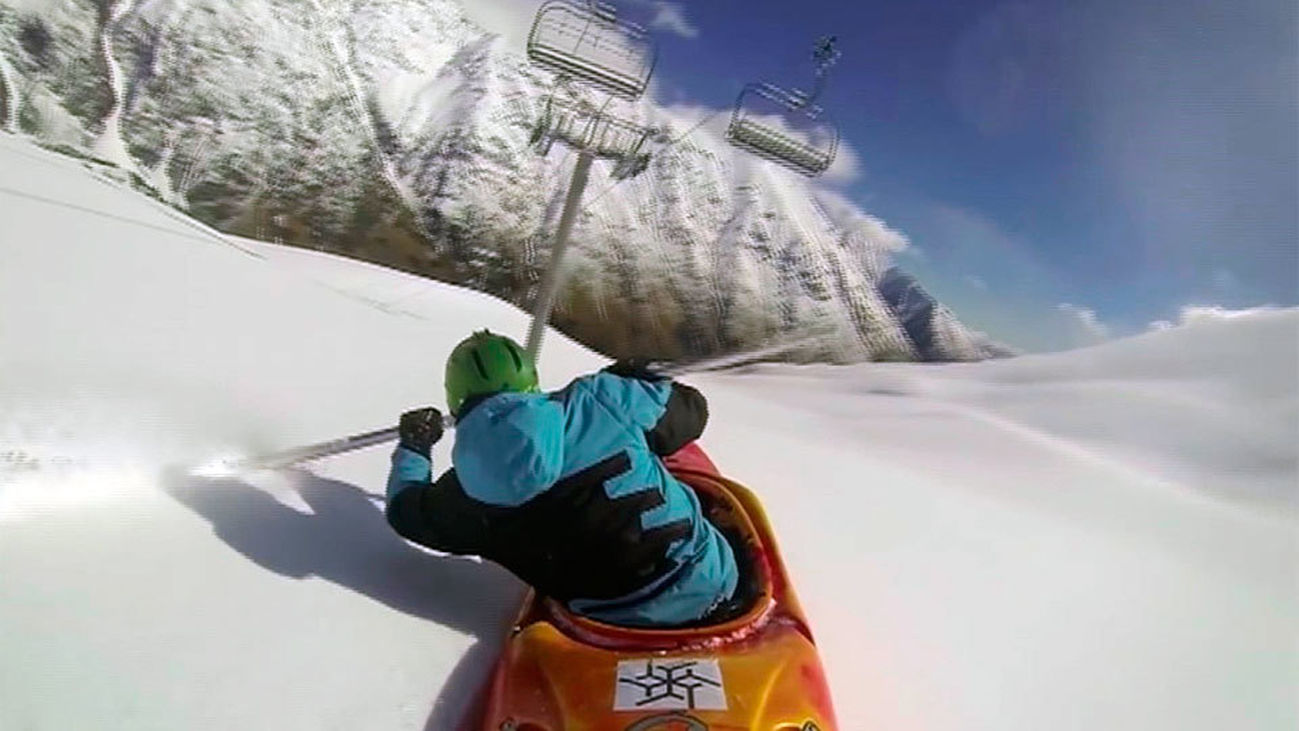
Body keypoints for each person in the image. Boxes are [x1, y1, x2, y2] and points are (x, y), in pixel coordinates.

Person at [384, 330, 739, 628]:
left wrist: (415, 448)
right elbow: (692, 412)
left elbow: (405, 511)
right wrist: (632, 380)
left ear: (456, 401)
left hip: (609, 619)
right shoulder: (600, 398)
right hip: (707, 581)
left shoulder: (464, 495)